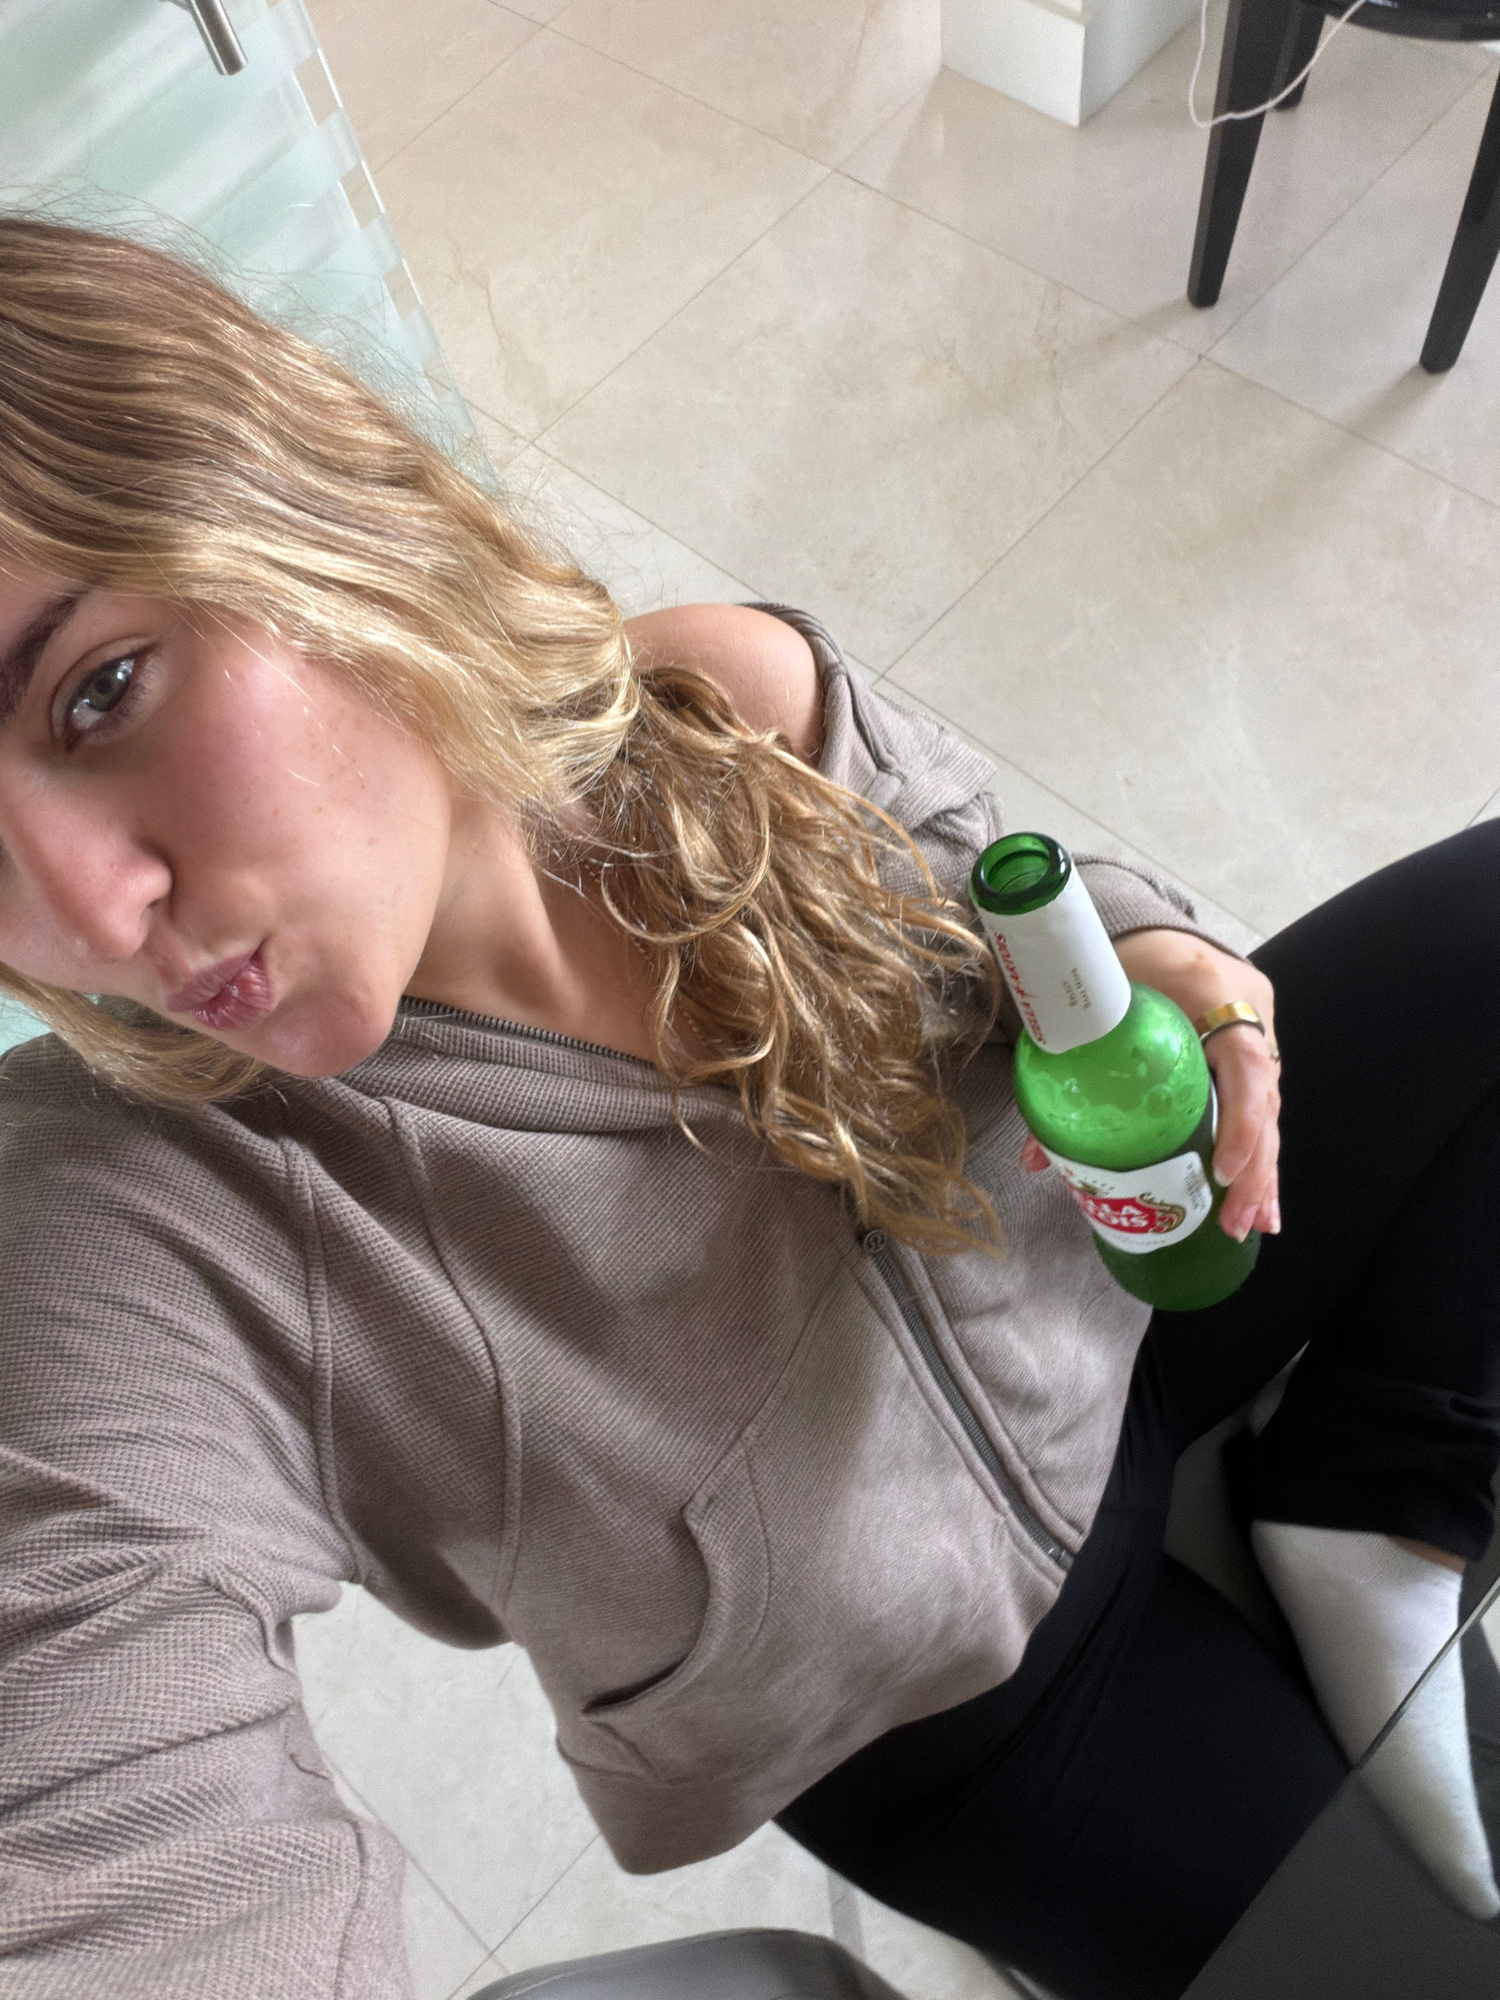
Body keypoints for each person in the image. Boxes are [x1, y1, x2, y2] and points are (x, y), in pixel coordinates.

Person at [0, 216, 1495, 2000]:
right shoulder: (130, 1224)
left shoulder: (711, 704)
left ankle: (1370, 1489)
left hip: (1124, 1294)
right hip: (966, 1720)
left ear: (305, 513)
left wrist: (1149, 953)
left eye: (99, 689)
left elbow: (996, 893)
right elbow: (94, 1820)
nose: (89, 918)